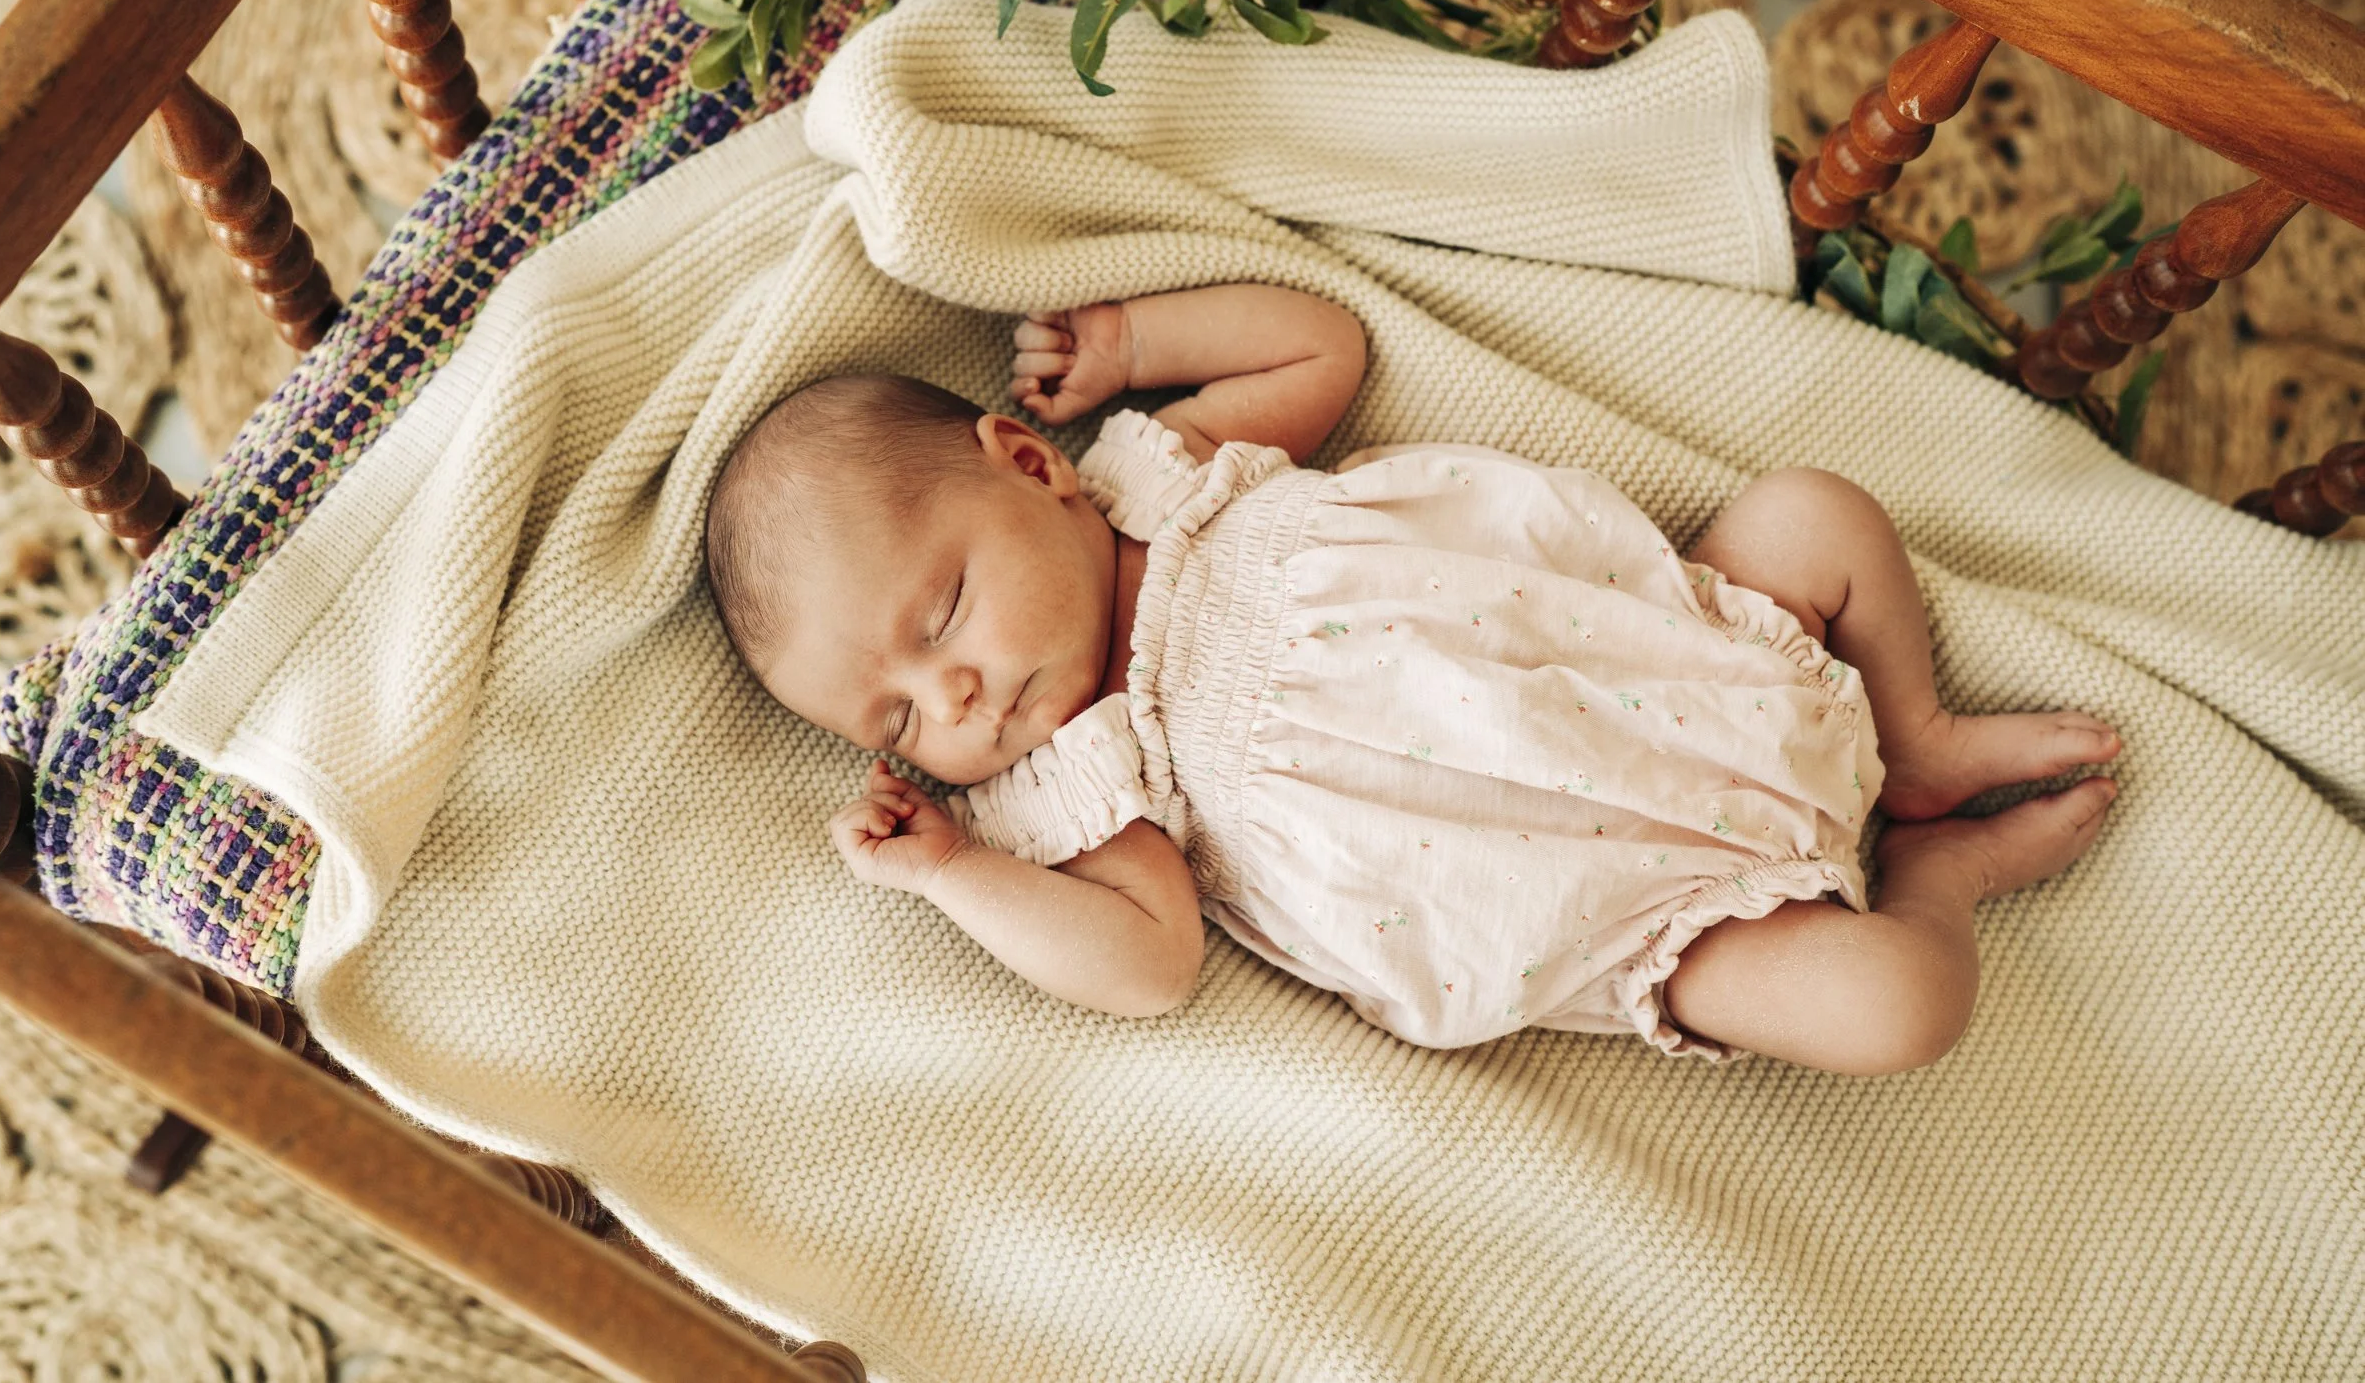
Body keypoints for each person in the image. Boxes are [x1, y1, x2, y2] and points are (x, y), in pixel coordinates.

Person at [703, 285, 2120, 1071]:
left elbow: (1324, 340)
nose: (951, 697)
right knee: (1896, 1007)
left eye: (941, 612)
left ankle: (1913, 740)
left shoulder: (1167, 473)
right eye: (893, 716)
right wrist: (952, 870)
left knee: (1817, 513)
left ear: (1028, 465)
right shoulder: (1087, 775)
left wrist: (1133, 346)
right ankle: (1944, 876)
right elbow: (1146, 966)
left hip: (1678, 661)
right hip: (1640, 909)